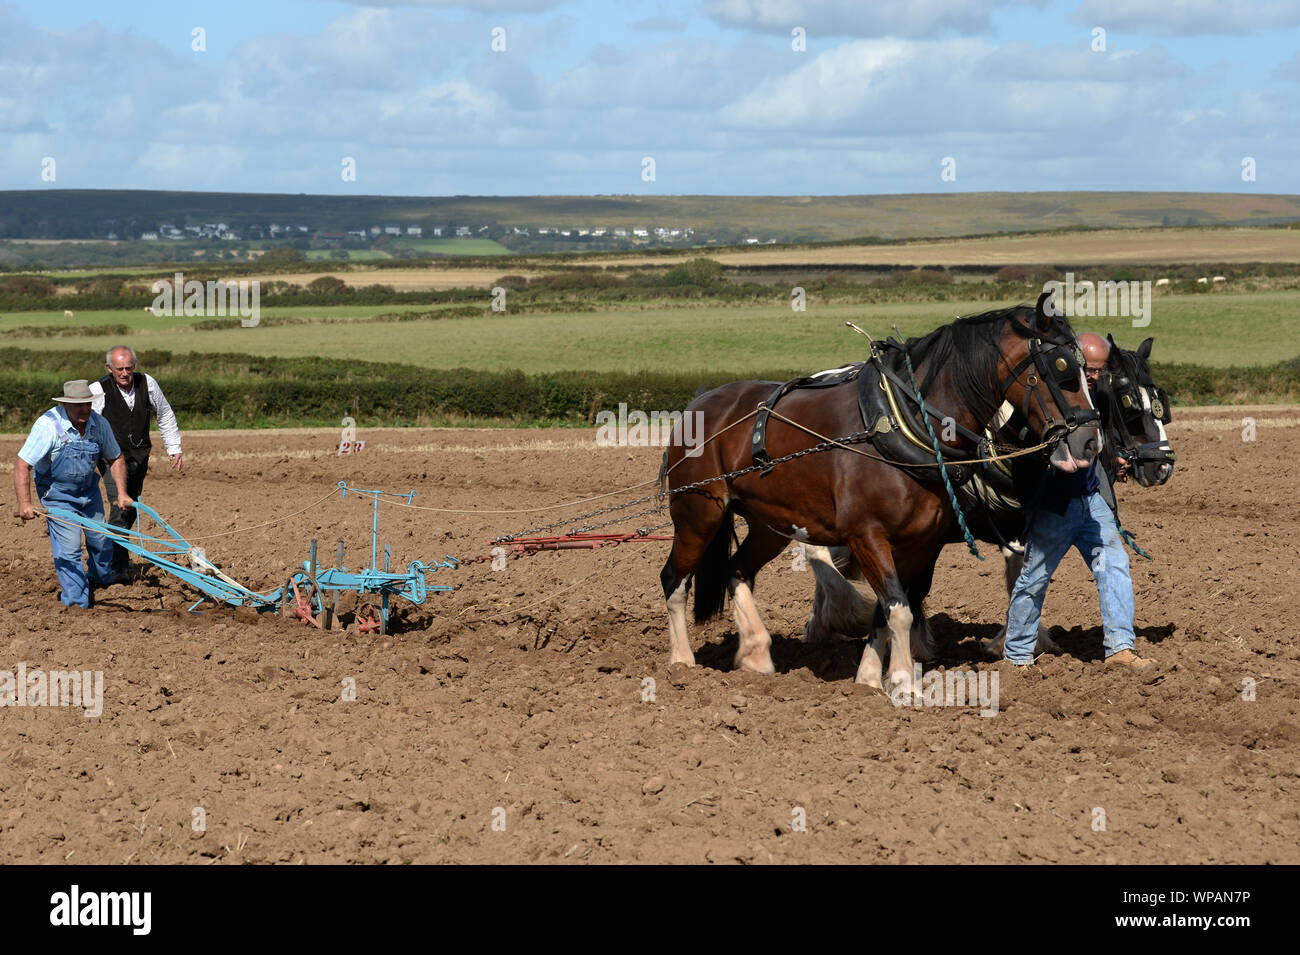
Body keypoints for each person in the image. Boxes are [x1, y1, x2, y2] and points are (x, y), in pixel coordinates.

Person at [1003, 333, 1154, 672]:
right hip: (1055, 503)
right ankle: (1016, 656)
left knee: (1115, 566)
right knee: (1035, 578)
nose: (1095, 376)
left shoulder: (1099, 393)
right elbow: (1018, 441)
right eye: (1091, 369)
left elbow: (1102, 440)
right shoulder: (1049, 392)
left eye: (1101, 370)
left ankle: (1120, 648)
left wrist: (1114, 462)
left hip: (1091, 498)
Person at [14, 380, 134, 608]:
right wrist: (25, 503)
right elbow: (22, 464)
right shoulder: (48, 426)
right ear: (66, 405)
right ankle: (76, 603)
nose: (85, 409)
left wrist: (122, 492)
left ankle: (100, 581)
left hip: (89, 491)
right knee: (69, 550)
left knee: (100, 541)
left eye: (88, 404)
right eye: (79, 405)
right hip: (57, 495)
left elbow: (115, 458)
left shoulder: (99, 424)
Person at [90, 345, 183, 578]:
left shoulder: (147, 383)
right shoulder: (97, 390)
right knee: (119, 506)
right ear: (109, 368)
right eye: (119, 369)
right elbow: (88, 424)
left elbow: (165, 413)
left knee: (131, 509)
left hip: (139, 456)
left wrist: (174, 447)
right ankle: (114, 566)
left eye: (129, 368)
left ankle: (117, 559)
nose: (124, 373)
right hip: (111, 458)